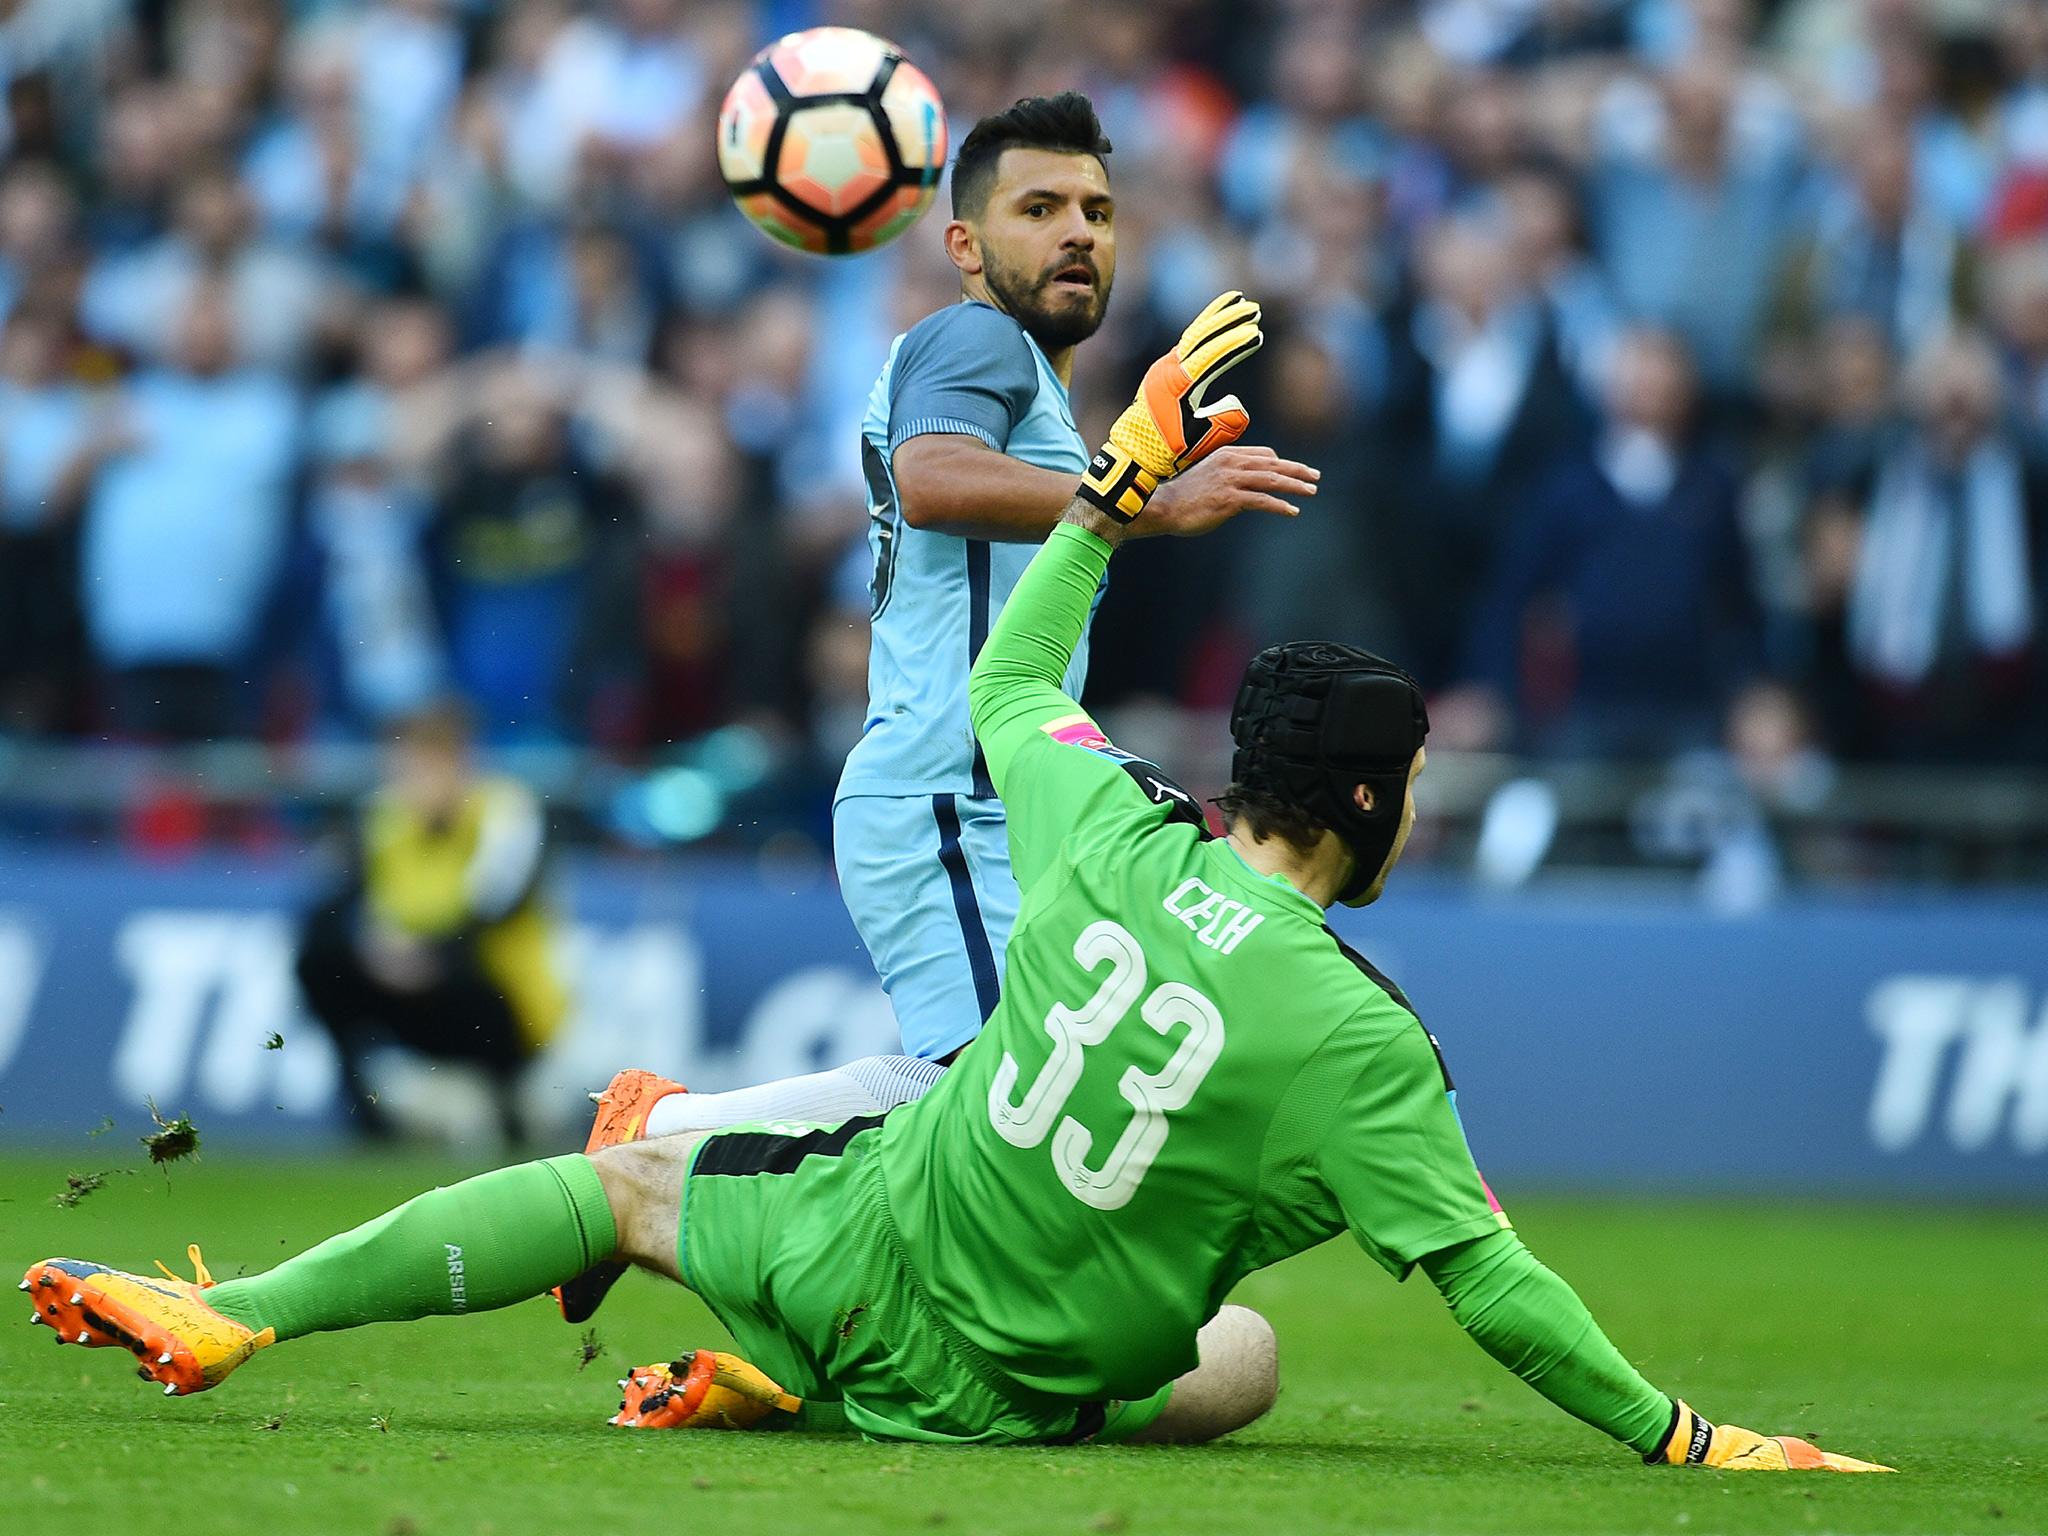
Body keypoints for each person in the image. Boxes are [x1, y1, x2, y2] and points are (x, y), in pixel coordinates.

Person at [27, 300, 1888, 1472]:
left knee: (614, 1190)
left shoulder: (1107, 828)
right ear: (1373, 801)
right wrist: (1680, 1433)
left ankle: (245, 1306)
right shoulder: (1359, 1035)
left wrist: (1111, 492)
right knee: (1235, 1363)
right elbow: (1487, 1285)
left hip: (858, 1259)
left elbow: (1011, 685)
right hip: (1020, 1391)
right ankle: (803, 1383)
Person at [294, 700, 567, 1143]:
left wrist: (427, 954)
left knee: (468, 976)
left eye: (429, 765)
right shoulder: (382, 816)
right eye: (407, 765)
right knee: (319, 963)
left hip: (499, 998)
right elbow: (327, 911)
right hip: (410, 983)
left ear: (461, 763)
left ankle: (508, 1105)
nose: (415, 781)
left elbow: (497, 906)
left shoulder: (505, 811)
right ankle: (366, 1116)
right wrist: (374, 950)